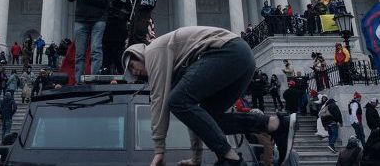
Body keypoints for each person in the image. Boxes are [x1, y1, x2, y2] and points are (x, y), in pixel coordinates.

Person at [122, 26, 298, 166]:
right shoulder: (175, 67)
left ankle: (231, 159)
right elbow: (195, 119)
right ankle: (274, 124)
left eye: (132, 65)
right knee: (209, 119)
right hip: (242, 58)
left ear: (137, 54)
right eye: (131, 72)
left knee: (176, 101)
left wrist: (159, 150)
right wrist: (197, 158)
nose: (135, 71)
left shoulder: (153, 51)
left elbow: (159, 102)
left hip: (229, 51)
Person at [66, 0, 114, 83]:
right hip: (82, 18)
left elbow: (107, 2)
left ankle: (94, 79)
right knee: (80, 53)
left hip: (99, 19)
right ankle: (78, 81)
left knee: (96, 50)